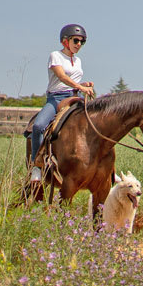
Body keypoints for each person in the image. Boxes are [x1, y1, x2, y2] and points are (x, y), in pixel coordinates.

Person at [30, 23, 95, 182]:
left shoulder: (78, 60)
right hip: (56, 98)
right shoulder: (55, 56)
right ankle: (36, 167)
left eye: (82, 42)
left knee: (98, 123)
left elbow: (72, 80)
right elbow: (62, 77)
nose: (79, 44)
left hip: (75, 96)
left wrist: (84, 85)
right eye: (76, 40)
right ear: (65, 41)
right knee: (38, 126)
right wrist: (80, 86)